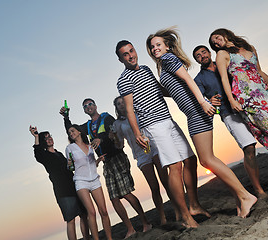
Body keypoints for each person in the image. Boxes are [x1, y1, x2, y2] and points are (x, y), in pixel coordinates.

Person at [146, 27, 257, 218]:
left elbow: (189, 80)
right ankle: (240, 200)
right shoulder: (165, 64)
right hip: (193, 112)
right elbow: (174, 90)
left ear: (167, 46)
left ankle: (245, 196)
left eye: (158, 45)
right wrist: (155, 86)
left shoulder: (168, 59)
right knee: (209, 159)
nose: (155, 48)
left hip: (197, 111)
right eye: (152, 46)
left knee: (207, 159)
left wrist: (202, 102)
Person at [116, 40, 210, 228]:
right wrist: (137, 133)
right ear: (121, 59)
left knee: (190, 160)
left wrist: (181, 90)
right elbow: (129, 109)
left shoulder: (146, 70)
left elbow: (160, 90)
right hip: (152, 126)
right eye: (125, 54)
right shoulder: (123, 80)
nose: (131, 56)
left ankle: (193, 205)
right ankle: (185, 216)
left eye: (131, 51)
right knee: (174, 166)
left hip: (168, 120)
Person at [60, 99, 151, 238]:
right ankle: (130, 228)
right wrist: (66, 117)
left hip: (117, 157)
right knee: (114, 198)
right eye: (85, 106)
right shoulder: (88, 126)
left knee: (126, 193)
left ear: (95, 106)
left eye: (90, 104)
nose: (88, 107)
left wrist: (100, 139)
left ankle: (145, 223)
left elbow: (113, 130)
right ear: (84, 110)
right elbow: (73, 130)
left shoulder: (106, 117)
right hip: (107, 162)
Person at [192, 45, 266, 197]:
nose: (202, 56)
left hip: (248, 106)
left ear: (209, 52)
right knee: (249, 147)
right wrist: (209, 100)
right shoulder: (199, 79)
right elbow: (200, 100)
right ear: (196, 60)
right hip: (228, 114)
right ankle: (259, 190)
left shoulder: (225, 64)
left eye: (203, 52)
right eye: (198, 56)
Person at [209, 28, 268, 167]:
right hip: (248, 99)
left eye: (217, 38)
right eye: (214, 43)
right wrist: (232, 100)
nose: (217, 43)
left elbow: (259, 70)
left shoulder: (250, 48)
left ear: (226, 34)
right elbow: (224, 79)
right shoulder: (222, 54)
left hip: (267, 95)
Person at [111, 96, 180, 225]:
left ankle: (177, 210)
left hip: (152, 147)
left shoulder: (137, 112)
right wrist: (114, 138)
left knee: (165, 180)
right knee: (154, 186)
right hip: (141, 154)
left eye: (122, 102)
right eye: (118, 104)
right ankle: (162, 216)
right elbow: (120, 145)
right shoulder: (117, 124)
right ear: (116, 108)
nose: (121, 105)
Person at [29, 126, 89, 240]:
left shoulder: (60, 154)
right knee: (71, 220)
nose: (49, 139)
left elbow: (69, 168)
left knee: (84, 214)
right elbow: (37, 152)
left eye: (50, 136)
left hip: (74, 186)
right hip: (63, 192)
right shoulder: (44, 156)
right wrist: (36, 136)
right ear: (43, 142)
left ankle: (87, 238)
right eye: (46, 138)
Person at [66, 124, 112, 240]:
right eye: (69, 133)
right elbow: (71, 168)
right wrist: (70, 165)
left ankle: (110, 238)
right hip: (81, 182)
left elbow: (92, 164)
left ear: (79, 131)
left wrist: (98, 160)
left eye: (72, 131)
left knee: (104, 211)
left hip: (95, 180)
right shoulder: (70, 148)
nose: (71, 134)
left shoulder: (90, 146)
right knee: (91, 212)